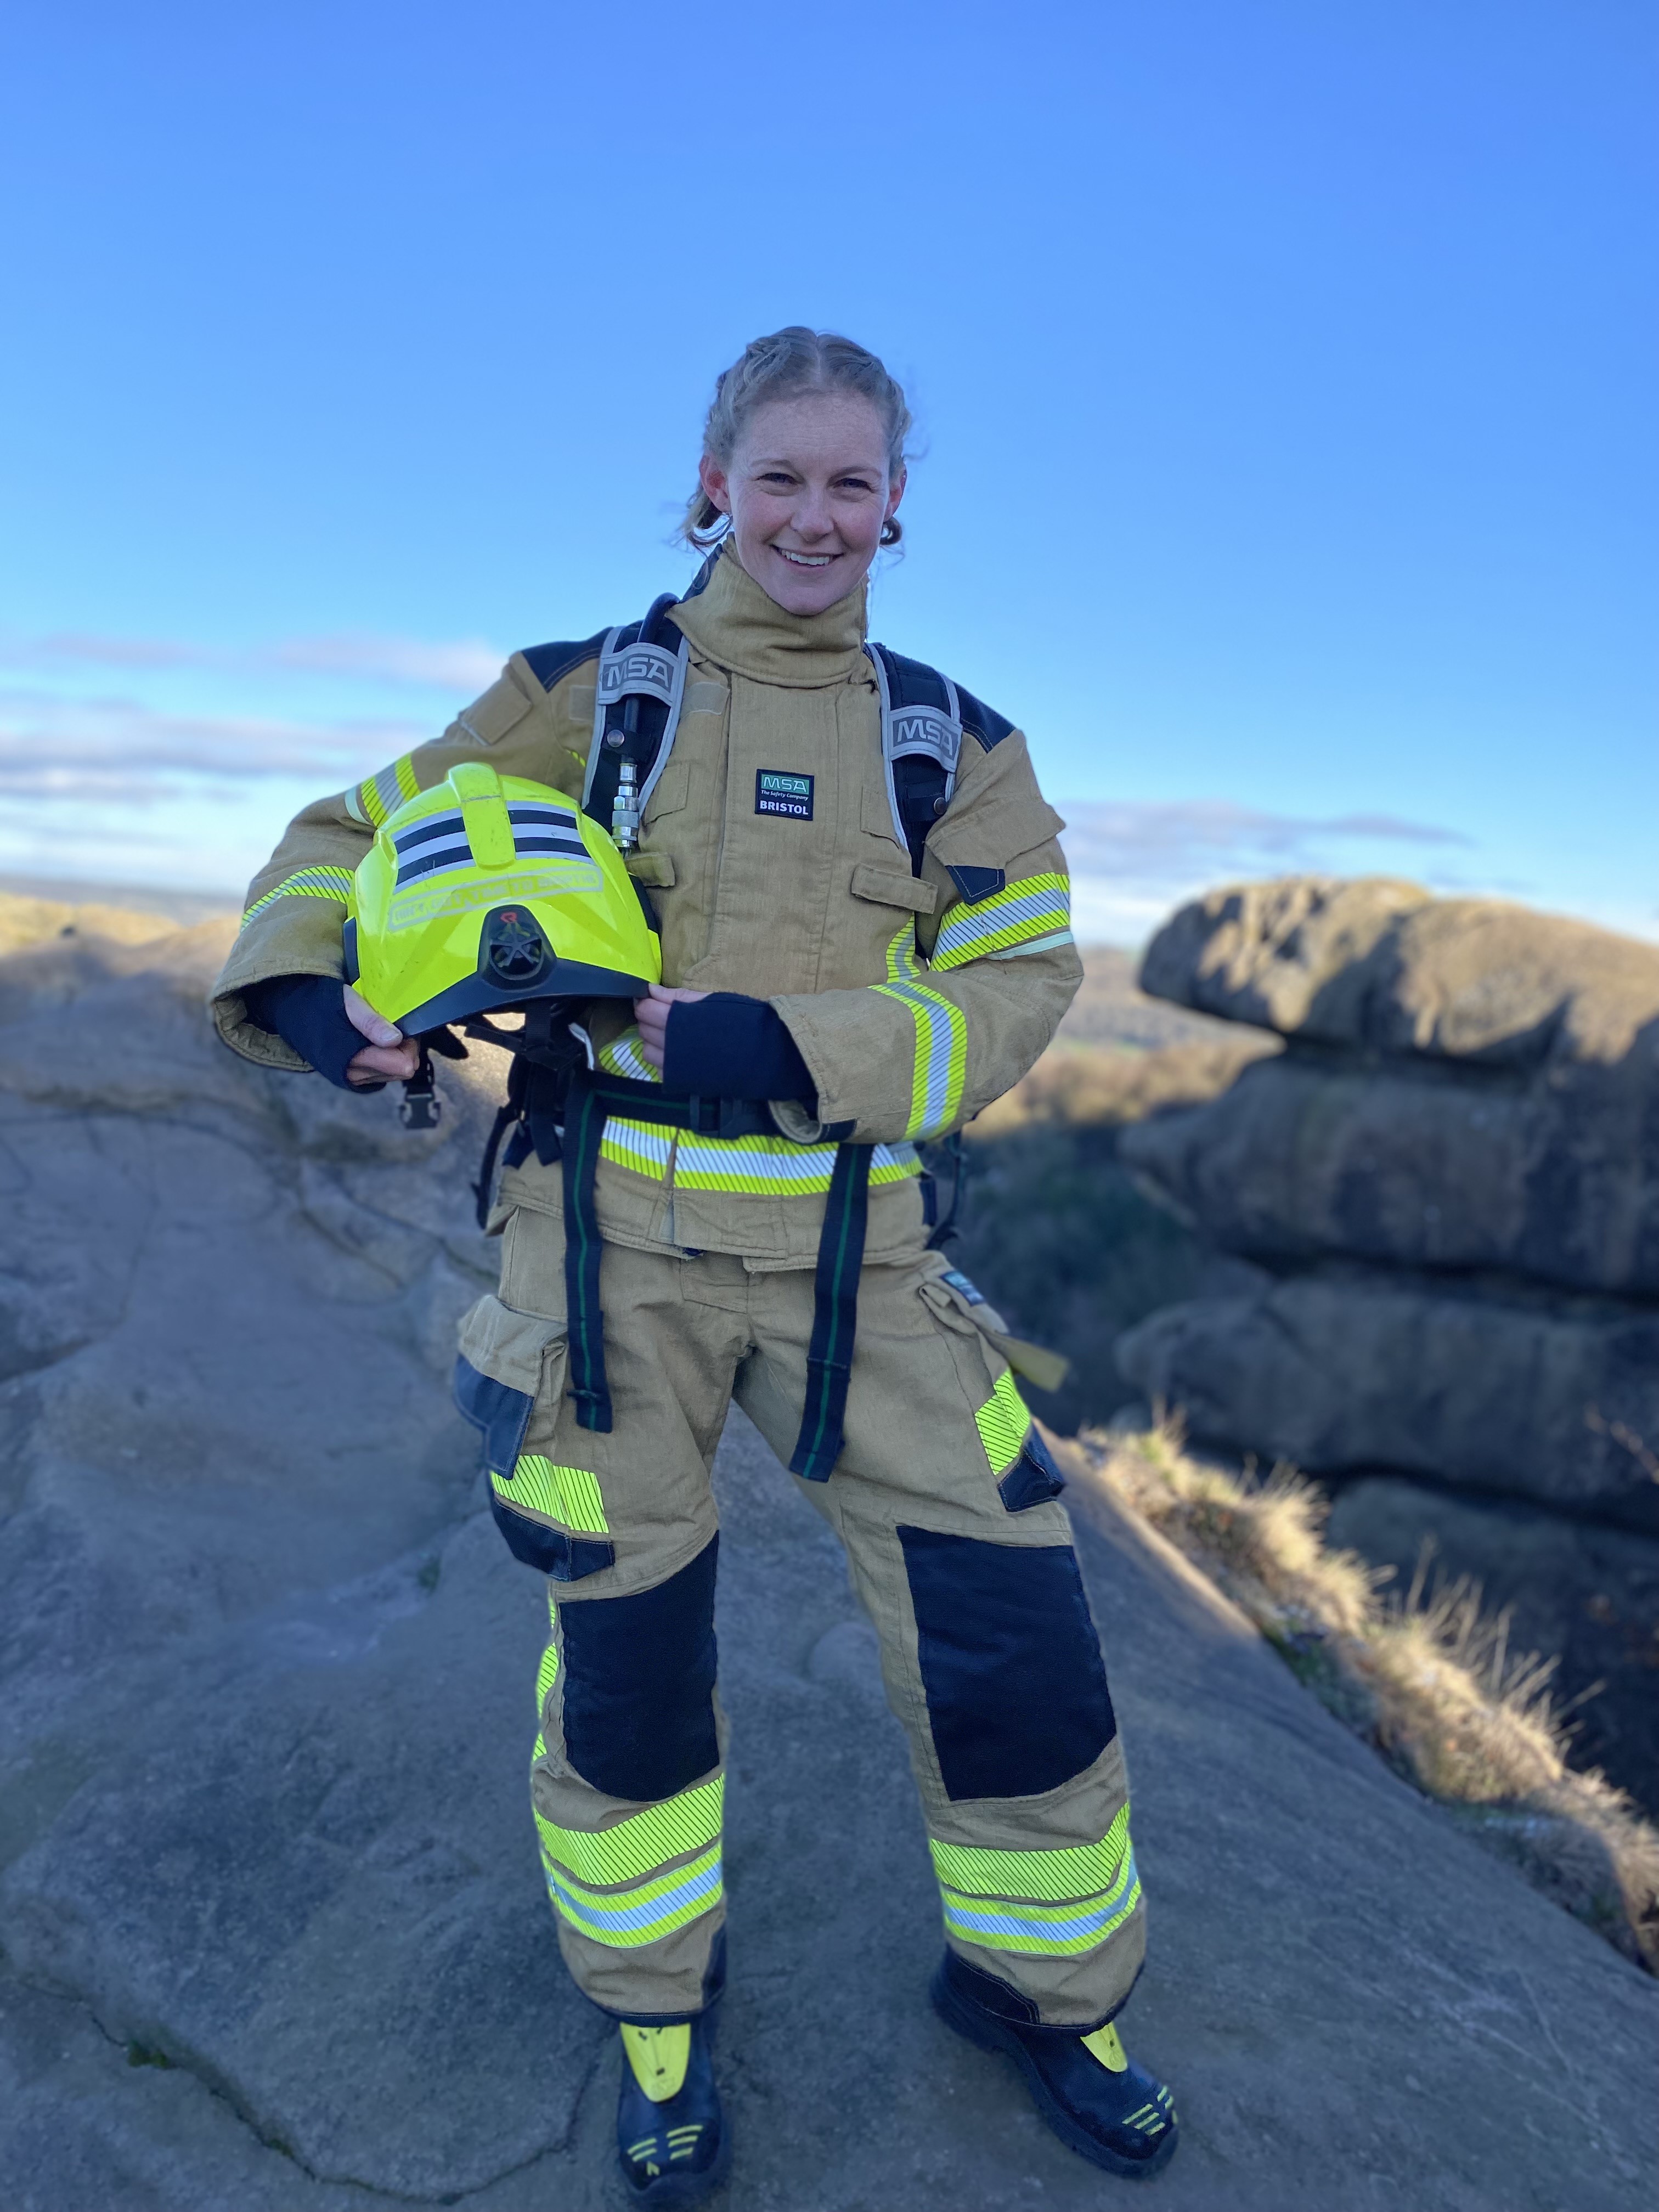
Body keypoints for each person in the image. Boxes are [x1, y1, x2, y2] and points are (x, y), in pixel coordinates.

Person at [210, 327, 1178, 2198]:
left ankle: (1050, 1992)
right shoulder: (587, 691)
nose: (814, 517)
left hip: (863, 1258)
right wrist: (317, 1001)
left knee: (1016, 1643)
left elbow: (1025, 984)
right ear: (716, 486)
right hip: (601, 1265)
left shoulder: (960, 748)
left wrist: (789, 1046)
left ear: (897, 506)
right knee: (630, 1662)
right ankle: (656, 2013)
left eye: (851, 484)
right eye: (780, 478)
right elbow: (347, 833)